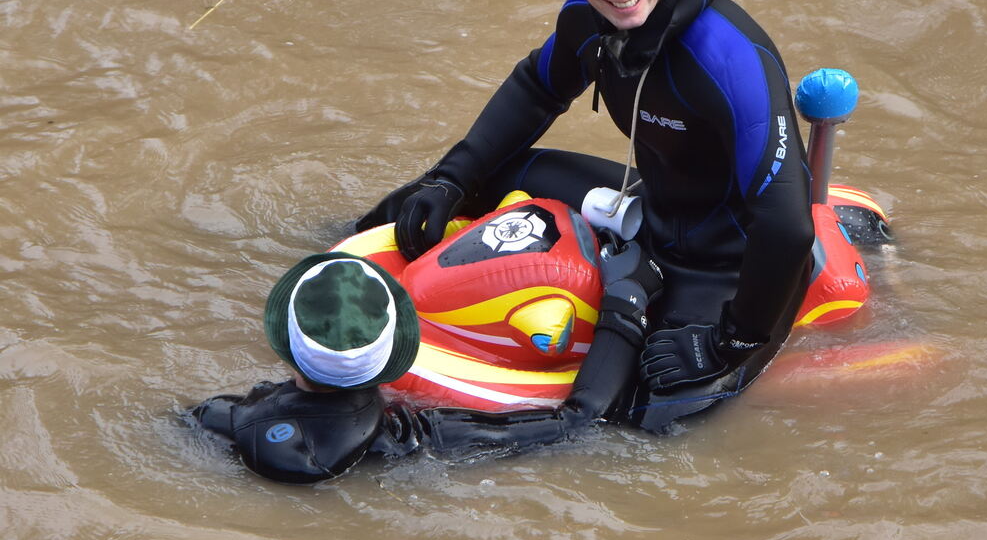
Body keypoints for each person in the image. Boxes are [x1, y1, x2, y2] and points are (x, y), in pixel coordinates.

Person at [355, 0, 814, 424]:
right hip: (646, 210)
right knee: (458, 181)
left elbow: (786, 227)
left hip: (730, 264)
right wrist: (449, 181)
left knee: (644, 422)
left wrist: (729, 342)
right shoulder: (587, 20)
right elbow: (536, 87)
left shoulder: (728, 57)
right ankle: (332, 256)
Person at [192, 195, 663, 484]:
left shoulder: (226, 417)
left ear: (286, 344)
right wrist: (626, 304)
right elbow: (578, 420)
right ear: (395, 351)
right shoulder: (424, 435)